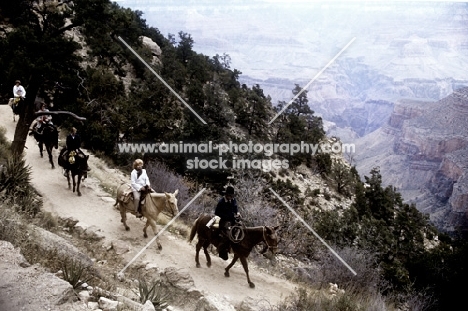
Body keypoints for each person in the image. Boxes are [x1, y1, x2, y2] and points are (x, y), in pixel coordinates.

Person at [214, 185, 240, 260]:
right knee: (228, 235)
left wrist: (237, 212)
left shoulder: (233, 200)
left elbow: (235, 208)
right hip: (223, 220)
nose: (231, 197)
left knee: (238, 230)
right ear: (226, 195)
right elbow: (217, 212)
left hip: (232, 220)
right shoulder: (221, 202)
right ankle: (220, 249)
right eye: (230, 196)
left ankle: (232, 248)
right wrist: (228, 216)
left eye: (232, 196)